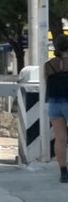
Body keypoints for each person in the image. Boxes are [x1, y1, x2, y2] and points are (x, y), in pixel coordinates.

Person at [45, 34, 68, 183]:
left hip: (54, 104)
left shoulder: (48, 65)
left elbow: (46, 82)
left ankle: (63, 172)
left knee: (60, 139)